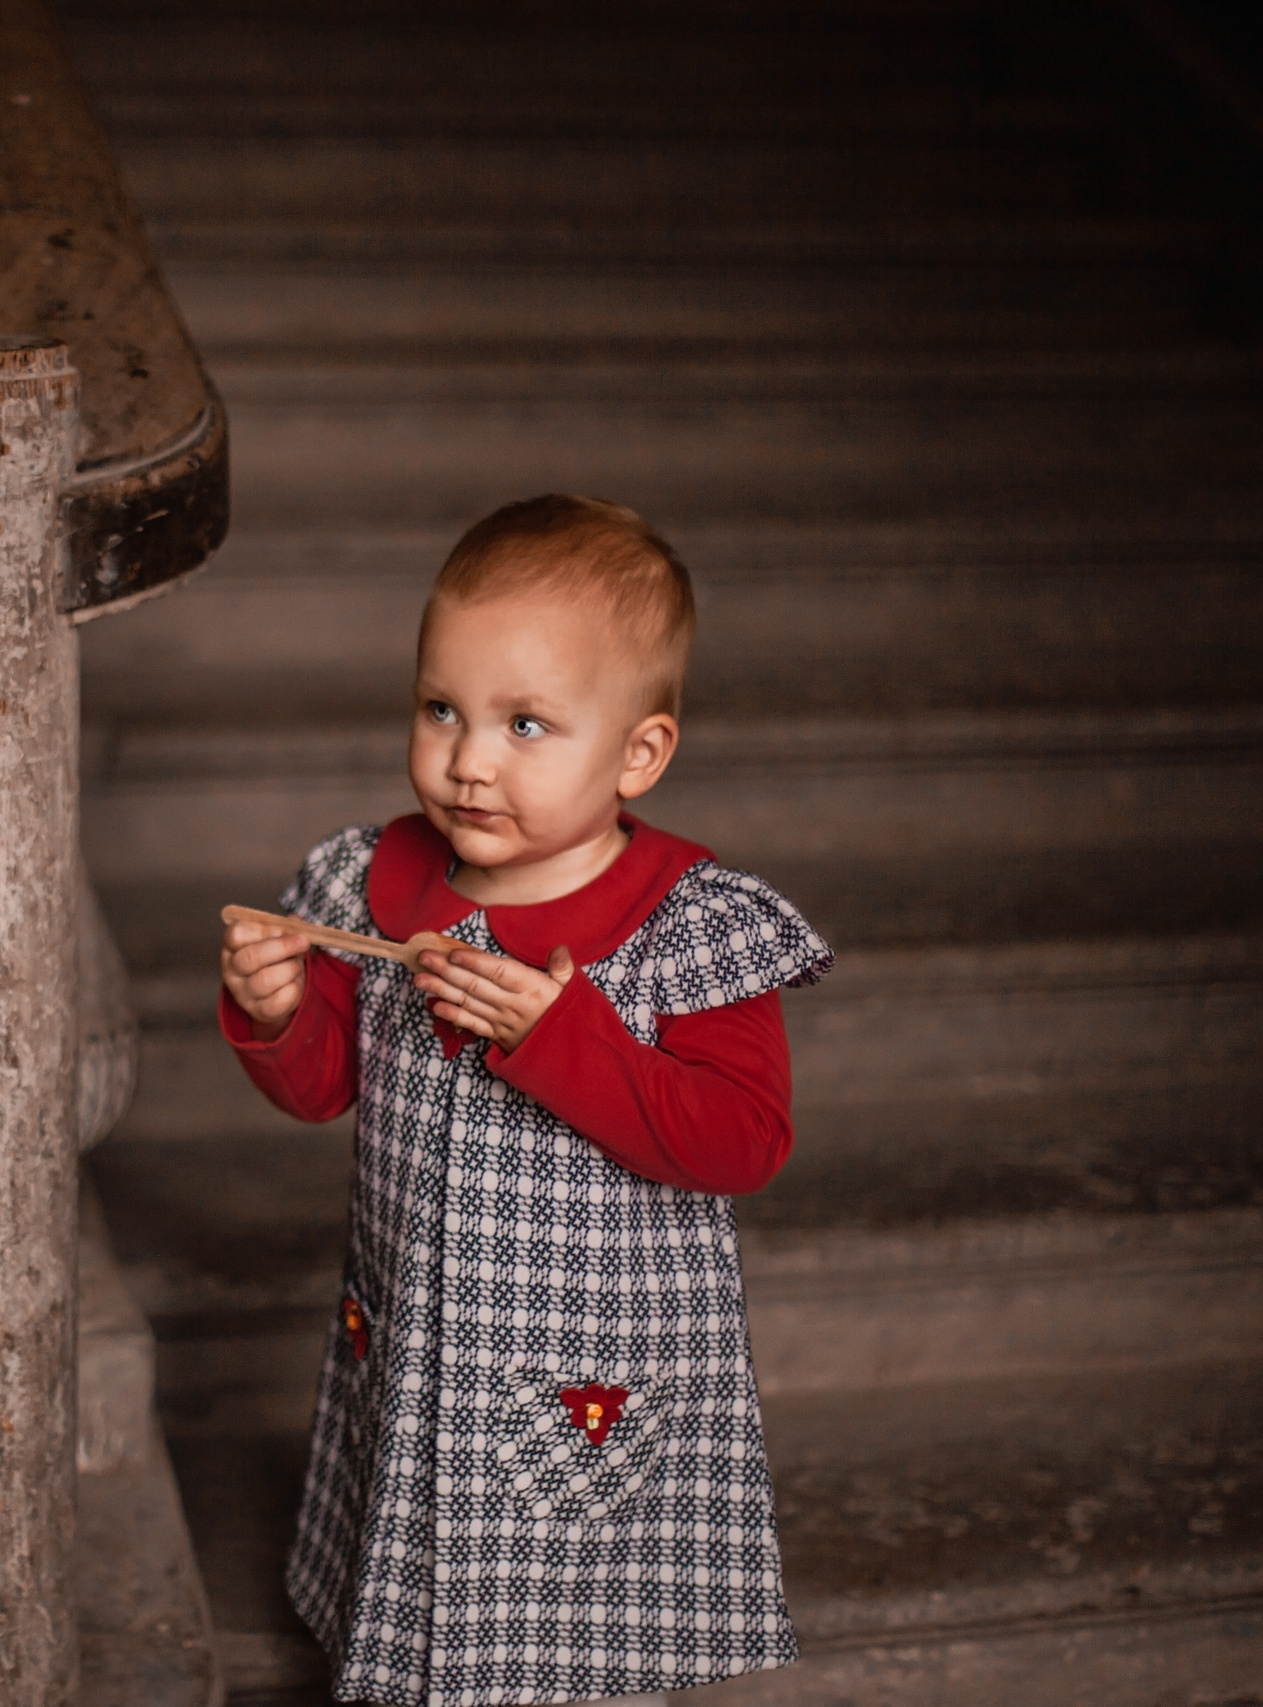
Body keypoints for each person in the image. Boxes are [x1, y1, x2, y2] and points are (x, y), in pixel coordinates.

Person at [218, 494, 835, 1705]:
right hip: (411, 1348)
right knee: (409, 1616)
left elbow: (743, 1139)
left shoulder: (686, 928)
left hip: (586, 1378)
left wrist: (563, 1036)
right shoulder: (370, 882)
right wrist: (279, 1010)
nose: (469, 760)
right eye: (440, 708)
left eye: (527, 724)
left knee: (570, 1644)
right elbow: (323, 1086)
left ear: (638, 754)